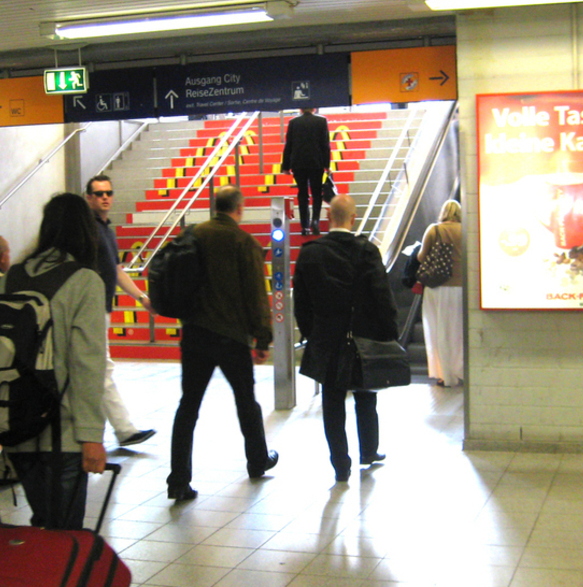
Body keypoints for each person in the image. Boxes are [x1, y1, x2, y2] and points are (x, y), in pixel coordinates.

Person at [1, 193, 107, 529]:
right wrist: (92, 435)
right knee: (64, 533)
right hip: (65, 434)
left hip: (18, 426)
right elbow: (87, 363)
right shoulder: (84, 281)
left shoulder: (13, 276)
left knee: (42, 524)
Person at [167, 186, 278, 501]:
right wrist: (262, 338)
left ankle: (178, 479)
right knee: (246, 401)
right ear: (239, 209)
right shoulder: (244, 243)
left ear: (216, 207)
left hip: (195, 334)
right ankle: (258, 460)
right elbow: (257, 295)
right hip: (231, 336)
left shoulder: (194, 235)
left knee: (188, 406)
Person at [293, 194, 398, 482]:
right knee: (366, 395)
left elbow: (300, 301)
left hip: (327, 338)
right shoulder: (366, 251)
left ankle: (340, 463)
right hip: (363, 336)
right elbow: (382, 296)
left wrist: (311, 333)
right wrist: (389, 333)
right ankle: (369, 450)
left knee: (332, 400)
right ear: (353, 219)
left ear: (328, 218)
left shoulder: (310, 252)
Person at [85, 174, 156, 447]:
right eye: (99, 193)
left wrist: (141, 298)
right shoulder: (87, 230)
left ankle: (111, 431)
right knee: (102, 368)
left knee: (99, 369)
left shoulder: (107, 230)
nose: (105, 197)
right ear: (89, 198)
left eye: (108, 192)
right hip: (89, 309)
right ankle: (123, 429)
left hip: (102, 307)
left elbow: (116, 271)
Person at [417, 199, 463, 388]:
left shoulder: (434, 230)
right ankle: (461, 371)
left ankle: (445, 375)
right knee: (458, 332)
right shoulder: (466, 230)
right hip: (460, 288)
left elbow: (421, 256)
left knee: (439, 332)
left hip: (436, 288)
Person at [281, 108, 331, 236]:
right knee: (316, 193)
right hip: (316, 162)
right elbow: (325, 145)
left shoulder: (293, 122)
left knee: (302, 193)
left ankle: (304, 226)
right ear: (314, 109)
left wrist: (285, 166)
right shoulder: (321, 121)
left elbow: (289, 145)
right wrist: (327, 165)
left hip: (298, 163)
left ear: (300, 109)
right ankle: (315, 221)